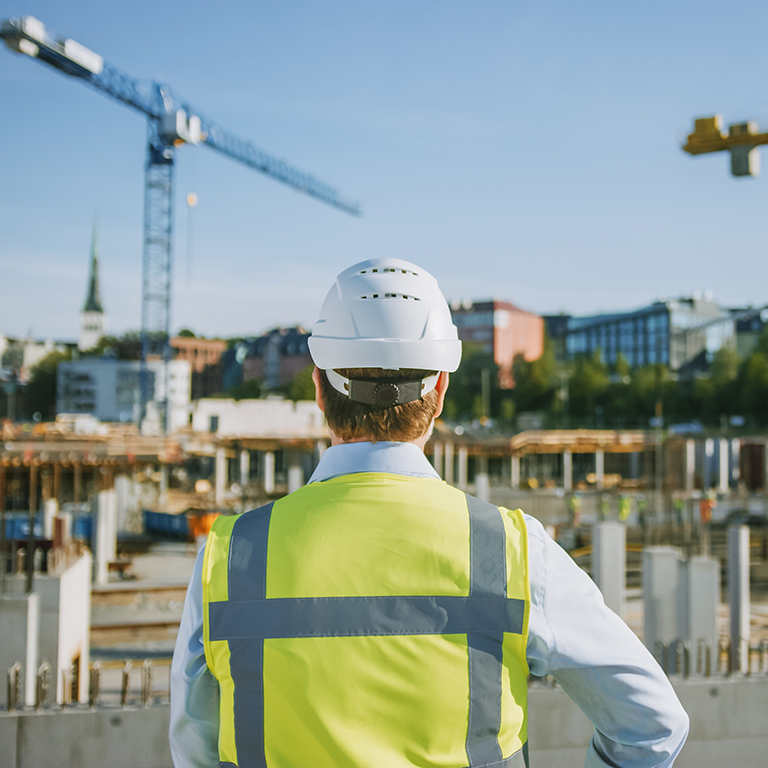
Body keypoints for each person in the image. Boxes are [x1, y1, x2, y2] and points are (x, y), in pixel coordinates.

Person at [170, 257, 689, 768]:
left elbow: (195, 750)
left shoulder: (230, 558)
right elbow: (654, 724)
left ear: (319, 391)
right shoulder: (511, 551)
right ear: (439, 392)